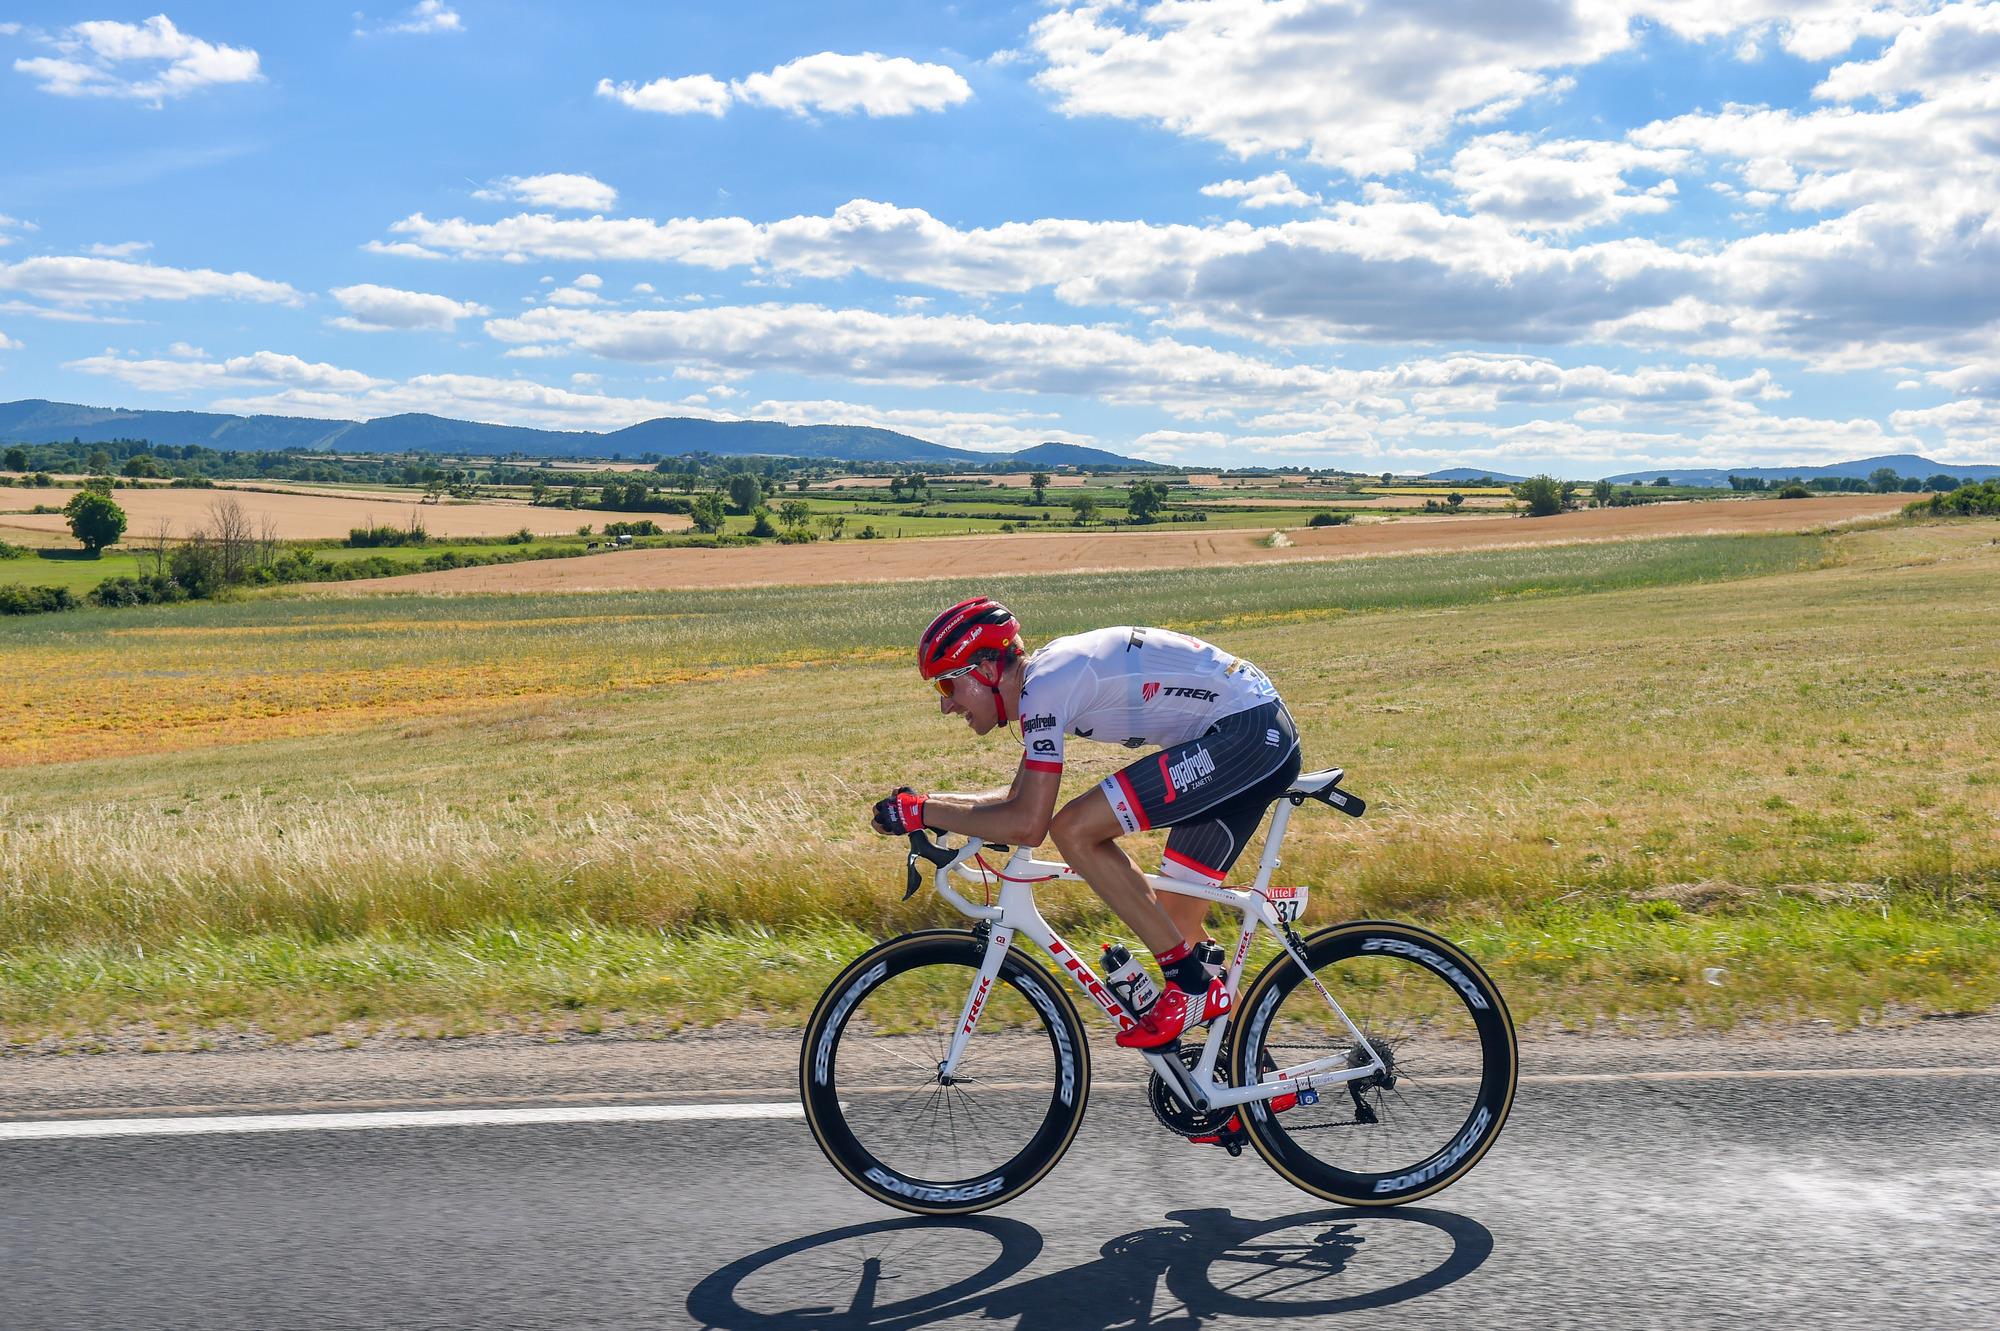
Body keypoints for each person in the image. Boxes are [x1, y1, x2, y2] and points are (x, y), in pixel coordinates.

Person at [872, 596, 1302, 1049]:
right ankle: (1240, 1083)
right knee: (1174, 924)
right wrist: (929, 804)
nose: (946, 707)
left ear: (984, 669)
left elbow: (1028, 825)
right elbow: (1014, 799)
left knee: (1074, 829)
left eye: (946, 687)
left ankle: (1189, 986)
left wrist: (922, 812)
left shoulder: (1048, 685)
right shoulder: (1046, 682)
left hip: (1248, 736)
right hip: (1242, 737)